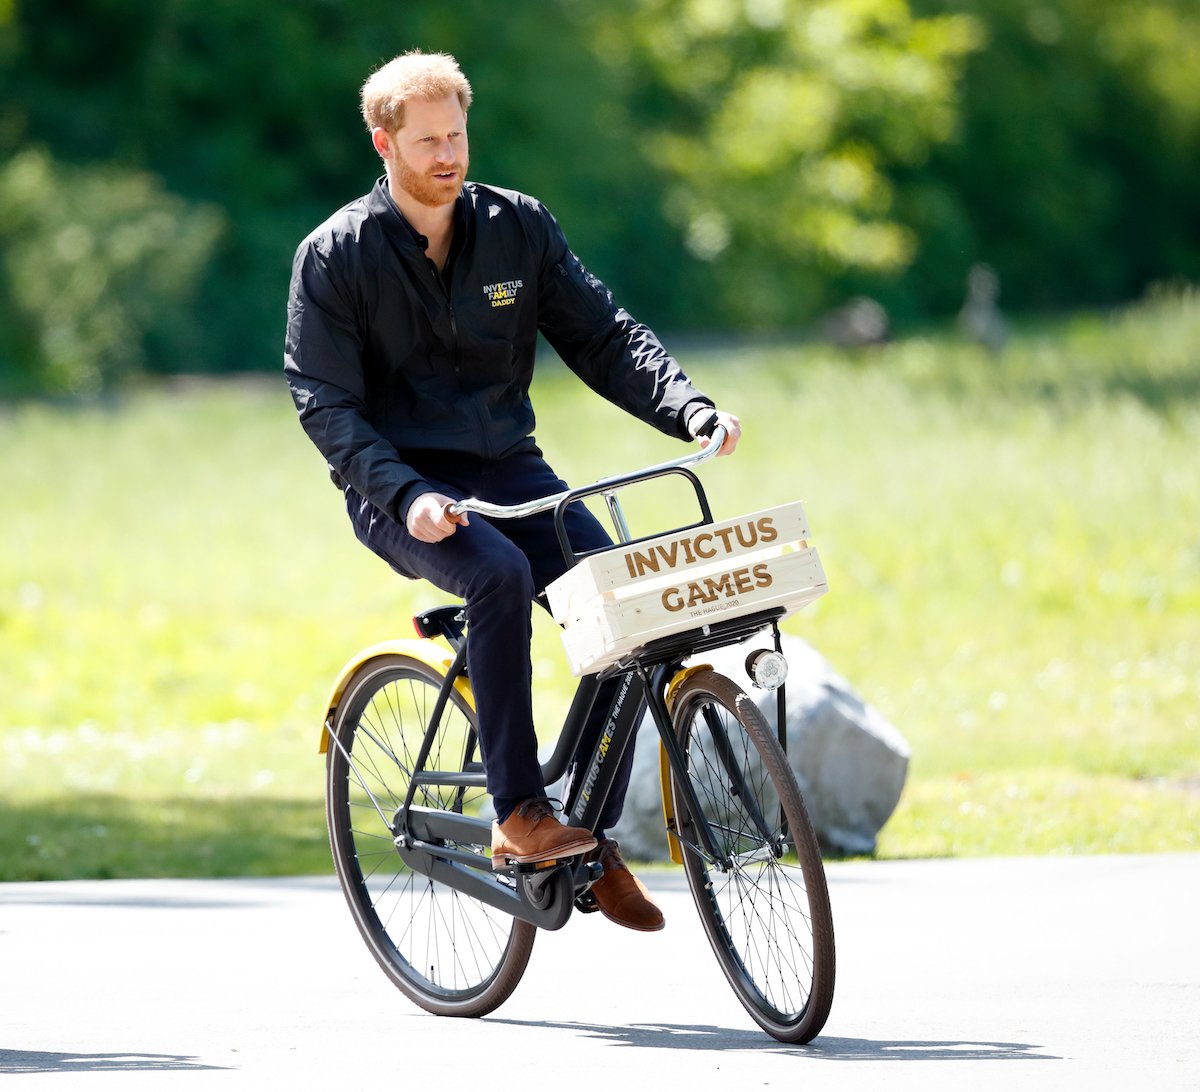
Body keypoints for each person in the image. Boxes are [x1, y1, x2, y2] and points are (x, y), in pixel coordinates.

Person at [284, 50, 740, 932]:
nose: (447, 155)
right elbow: (325, 404)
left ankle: (588, 836)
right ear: (384, 144)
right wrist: (406, 491)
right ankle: (520, 813)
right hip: (399, 486)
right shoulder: (335, 256)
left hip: (511, 470)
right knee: (494, 574)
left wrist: (686, 405)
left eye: (456, 134)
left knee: (625, 603)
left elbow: (602, 336)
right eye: (425, 142)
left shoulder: (516, 227)